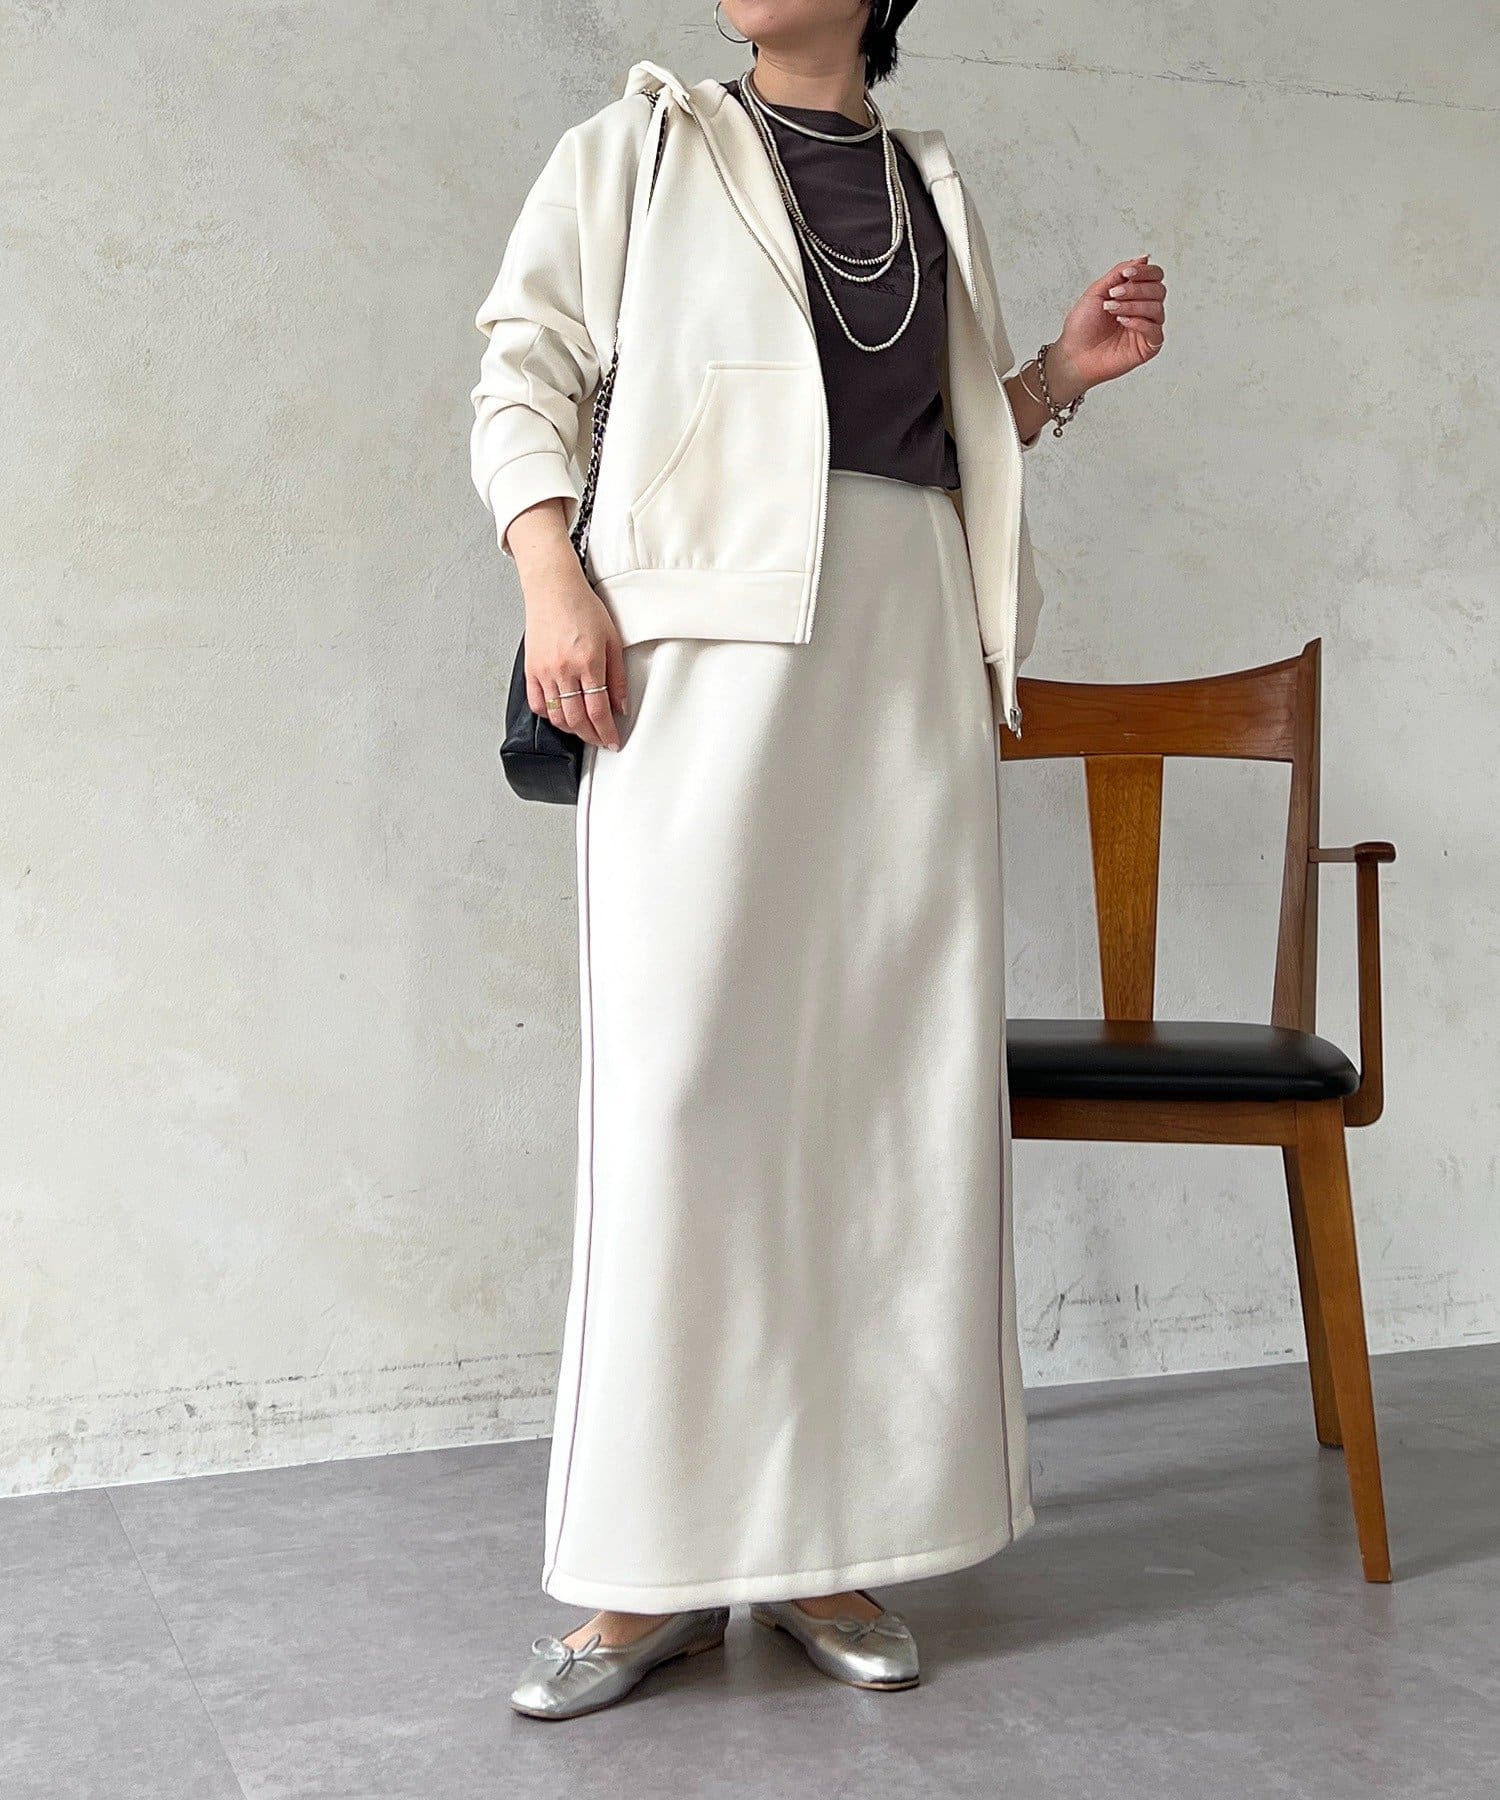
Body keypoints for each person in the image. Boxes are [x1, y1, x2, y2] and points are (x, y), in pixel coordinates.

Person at [469, 1, 1166, 1722]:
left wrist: (1057, 376)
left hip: (907, 655)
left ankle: (824, 1544)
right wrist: (552, 578)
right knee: (684, 1091)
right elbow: (522, 368)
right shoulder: (639, 146)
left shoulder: (927, 185)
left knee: (877, 1103)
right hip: (697, 656)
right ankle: (646, 1572)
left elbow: (930, 439)